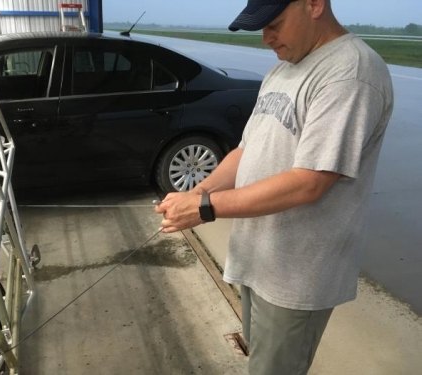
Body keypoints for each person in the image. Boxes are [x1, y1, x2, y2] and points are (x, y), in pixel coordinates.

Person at [155, 0, 394, 374]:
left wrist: (206, 208)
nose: (267, 38)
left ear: (314, 4)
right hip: (257, 257)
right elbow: (246, 150)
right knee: (260, 361)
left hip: (296, 274)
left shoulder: (350, 74)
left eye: (275, 24)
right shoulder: (284, 69)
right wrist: (196, 193)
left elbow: (309, 183)